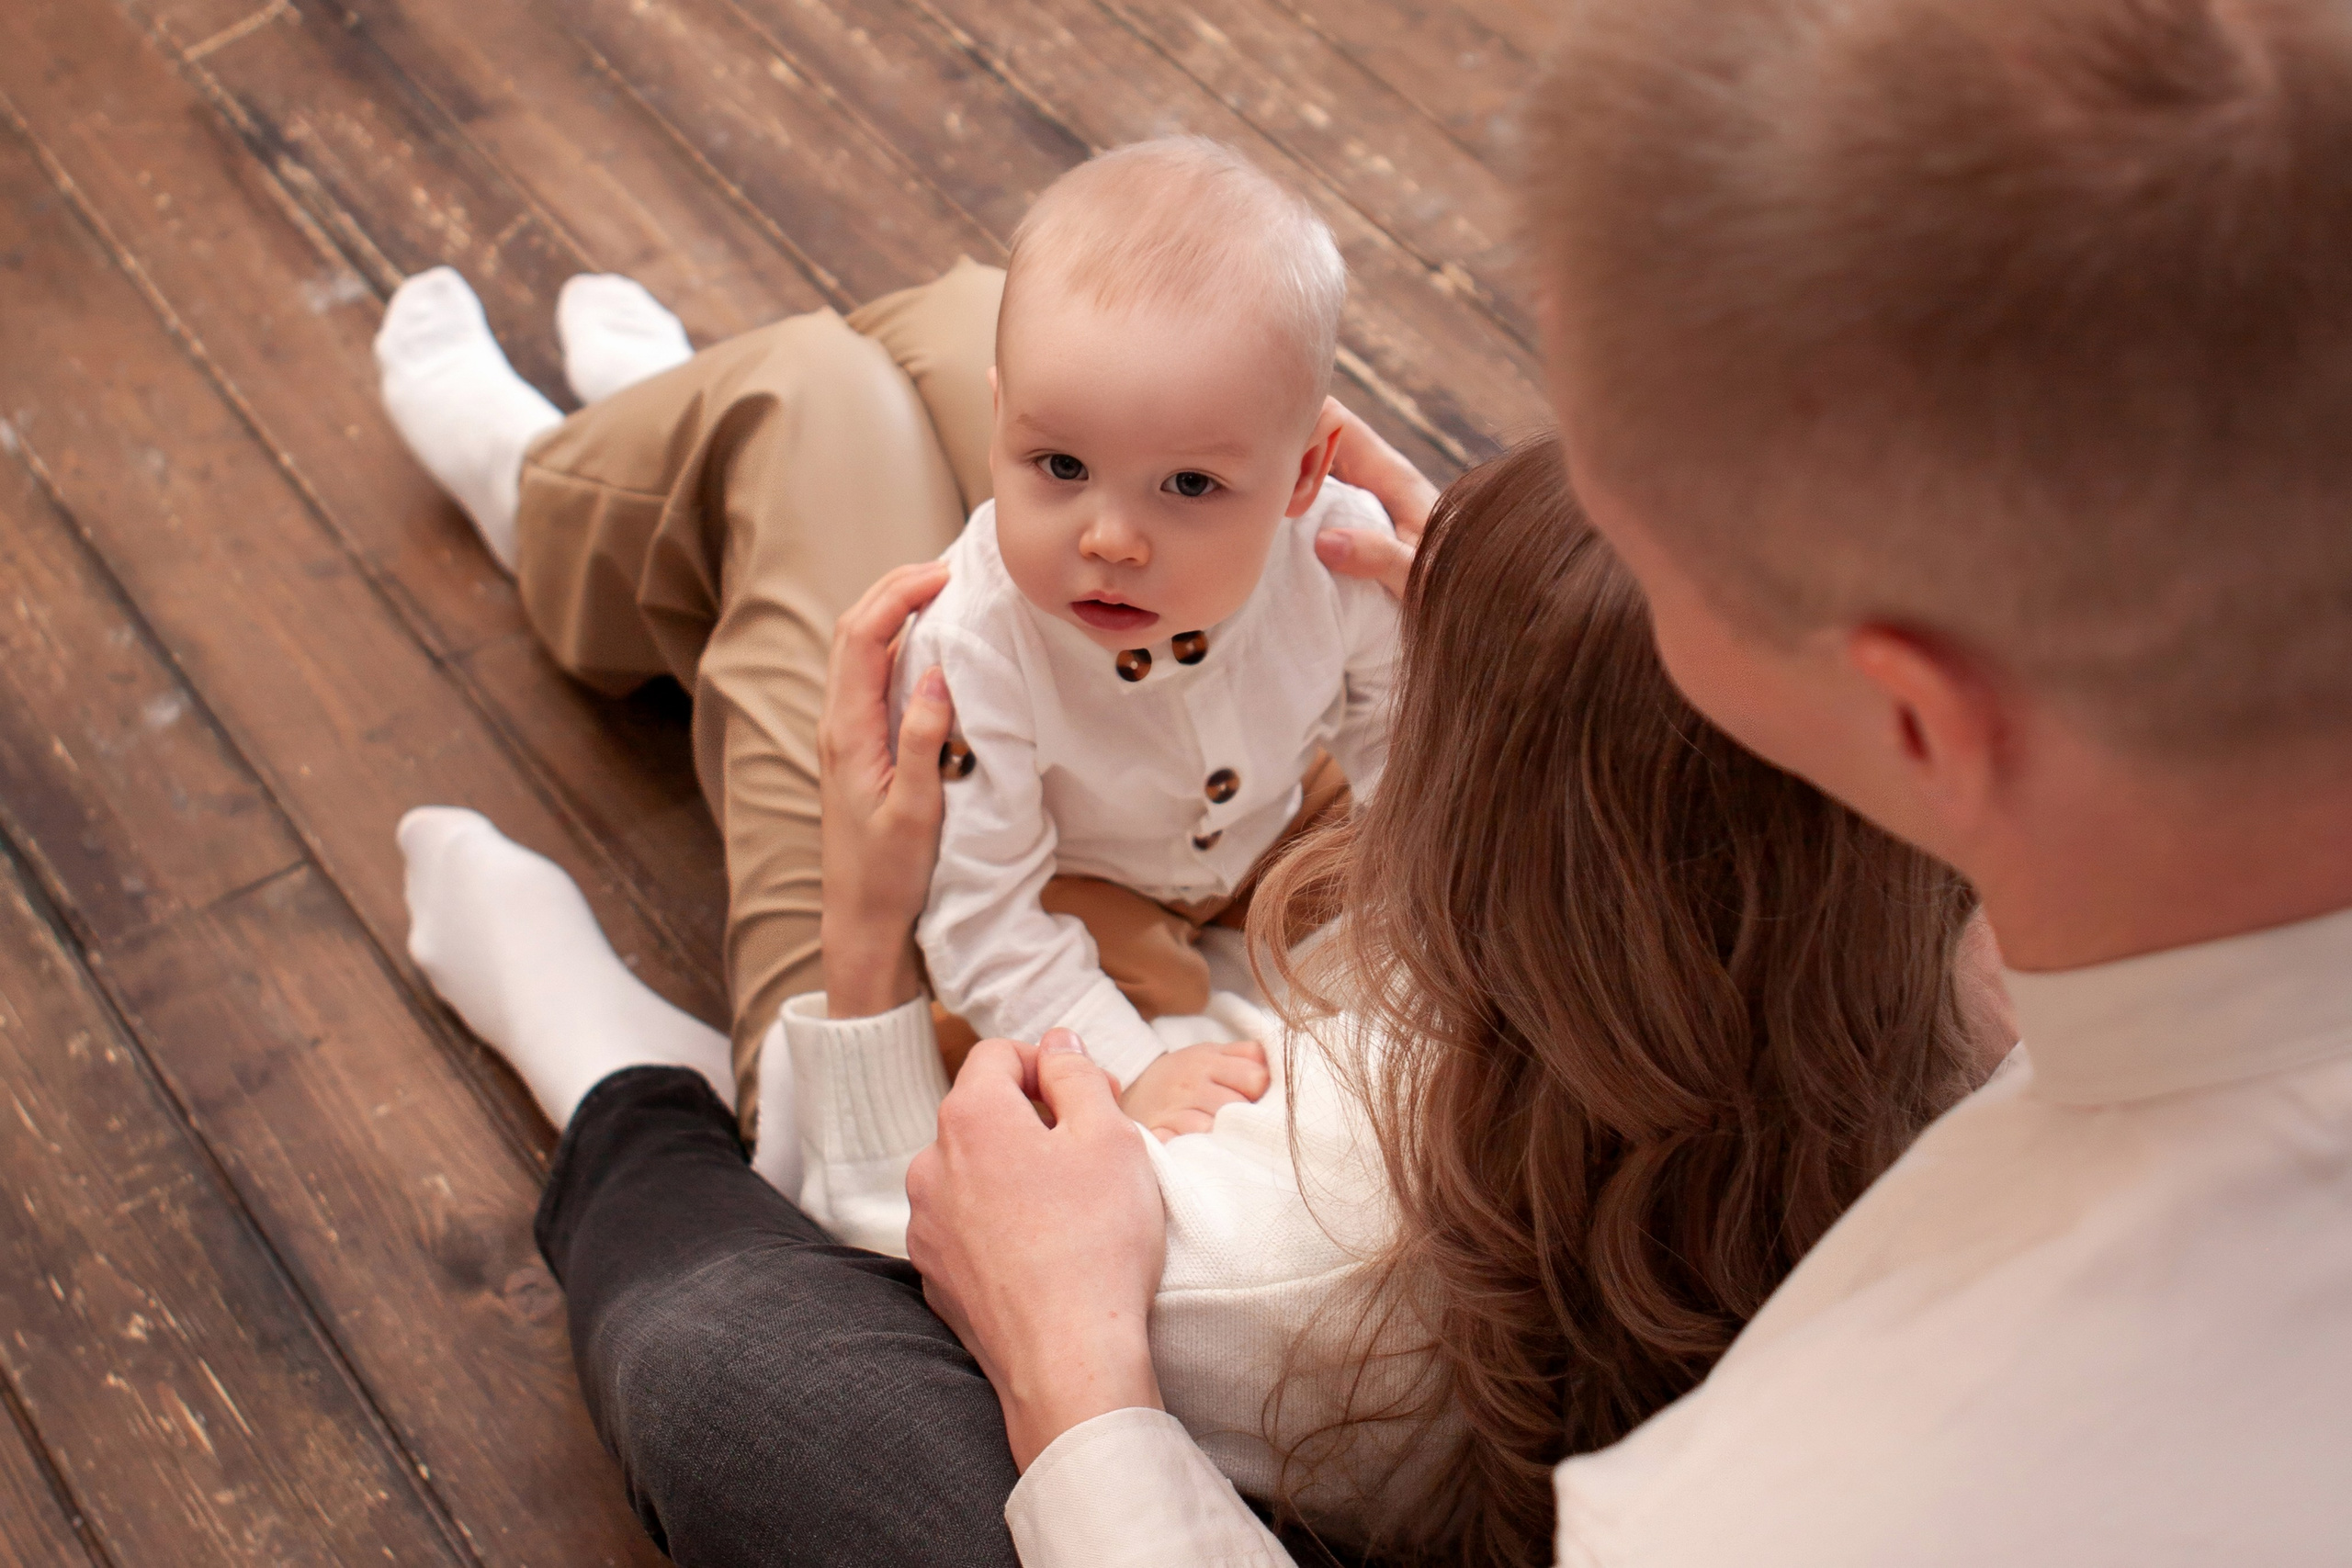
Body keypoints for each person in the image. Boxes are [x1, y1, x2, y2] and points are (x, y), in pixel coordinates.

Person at [908, 0, 2352, 1562]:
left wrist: (1082, 1393)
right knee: (959, 326)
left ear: (1914, 722)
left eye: (1620, 537)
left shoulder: (1766, 1499)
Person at [395, 433, 2001, 1559]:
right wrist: (1569, 640)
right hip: (1204, 975)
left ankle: (621, 1061)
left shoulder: (1266, 1252)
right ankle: (584, 493)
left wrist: (869, 915)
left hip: (1040, 1061)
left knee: (810, 422)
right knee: (1010, 370)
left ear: (1447, 835)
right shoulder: (1973, 997)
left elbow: (890, 1197)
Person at [888, 139, 1398, 1100]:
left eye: (1190, 484)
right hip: (1082, 886)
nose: (1113, 540)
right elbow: (981, 915)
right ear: (999, 423)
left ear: (1301, 473)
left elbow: (1396, 723)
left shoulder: (1339, 554)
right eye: (1062, 467)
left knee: (1416, 862)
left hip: (1272, 813)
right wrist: (1136, 1072)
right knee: (1131, 995)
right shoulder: (973, 645)